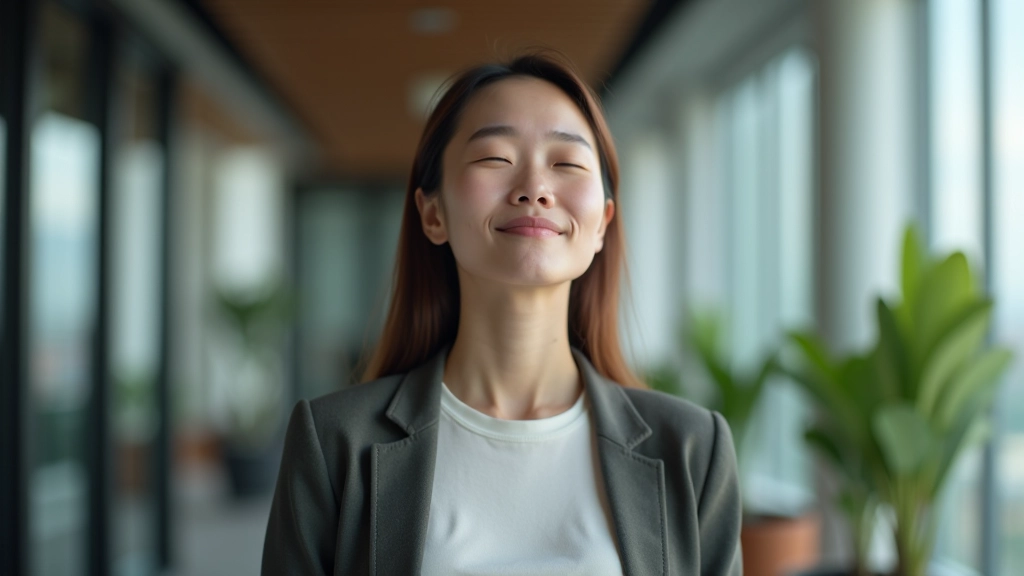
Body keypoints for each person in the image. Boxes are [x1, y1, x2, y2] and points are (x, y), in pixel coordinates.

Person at [261, 53, 742, 575]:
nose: (534, 188)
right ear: (433, 212)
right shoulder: (335, 441)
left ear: (603, 223)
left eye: (567, 163)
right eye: (495, 157)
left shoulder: (692, 449)